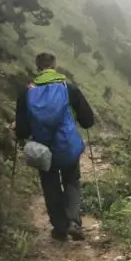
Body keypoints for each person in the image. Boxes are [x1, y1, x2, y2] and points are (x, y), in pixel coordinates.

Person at [12, 52, 94, 241]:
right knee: (72, 180)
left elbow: (23, 132)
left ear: (38, 67)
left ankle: (60, 228)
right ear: (55, 66)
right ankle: (73, 221)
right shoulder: (68, 88)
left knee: (50, 186)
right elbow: (88, 120)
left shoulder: (26, 92)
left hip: (43, 149)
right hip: (67, 146)